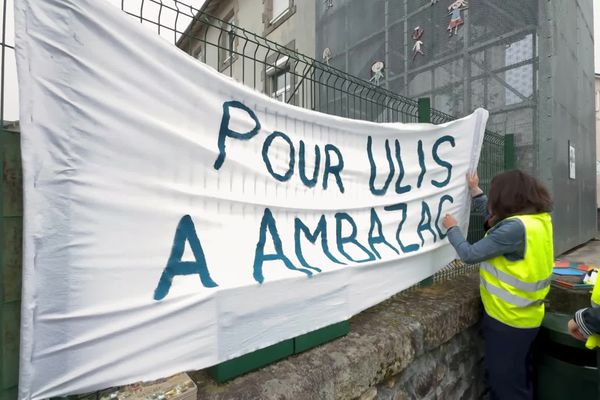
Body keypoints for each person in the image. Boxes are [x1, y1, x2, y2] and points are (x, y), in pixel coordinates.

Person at [442, 170, 553, 400]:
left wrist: (452, 228)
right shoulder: (537, 220)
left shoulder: (514, 228)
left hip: (507, 321)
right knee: (520, 378)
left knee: (506, 387)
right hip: (528, 317)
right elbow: (499, 224)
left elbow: (470, 254)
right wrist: (476, 192)